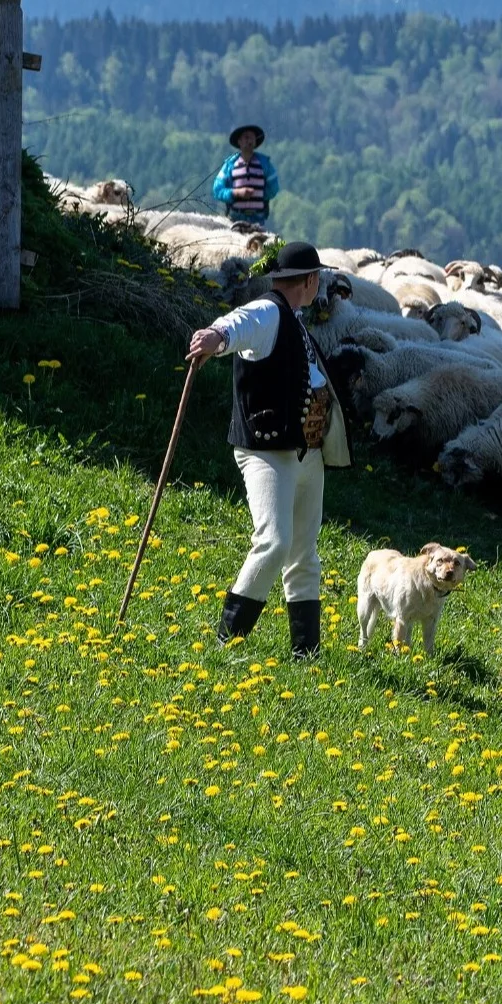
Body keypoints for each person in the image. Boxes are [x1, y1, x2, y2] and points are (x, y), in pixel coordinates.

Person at [187, 242, 350, 658]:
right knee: (274, 541)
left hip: (306, 453)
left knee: (304, 554)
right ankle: (228, 641)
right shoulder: (269, 311)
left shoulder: (295, 321)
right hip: (266, 453)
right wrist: (215, 337)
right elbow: (236, 323)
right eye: (319, 279)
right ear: (310, 280)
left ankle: (306, 653)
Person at [212, 124, 278, 230]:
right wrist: (236, 193)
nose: (250, 141)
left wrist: (259, 195)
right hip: (235, 218)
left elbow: (273, 188)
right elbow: (217, 189)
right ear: (239, 142)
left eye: (252, 138)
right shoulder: (230, 165)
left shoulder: (265, 164)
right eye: (246, 137)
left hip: (258, 218)